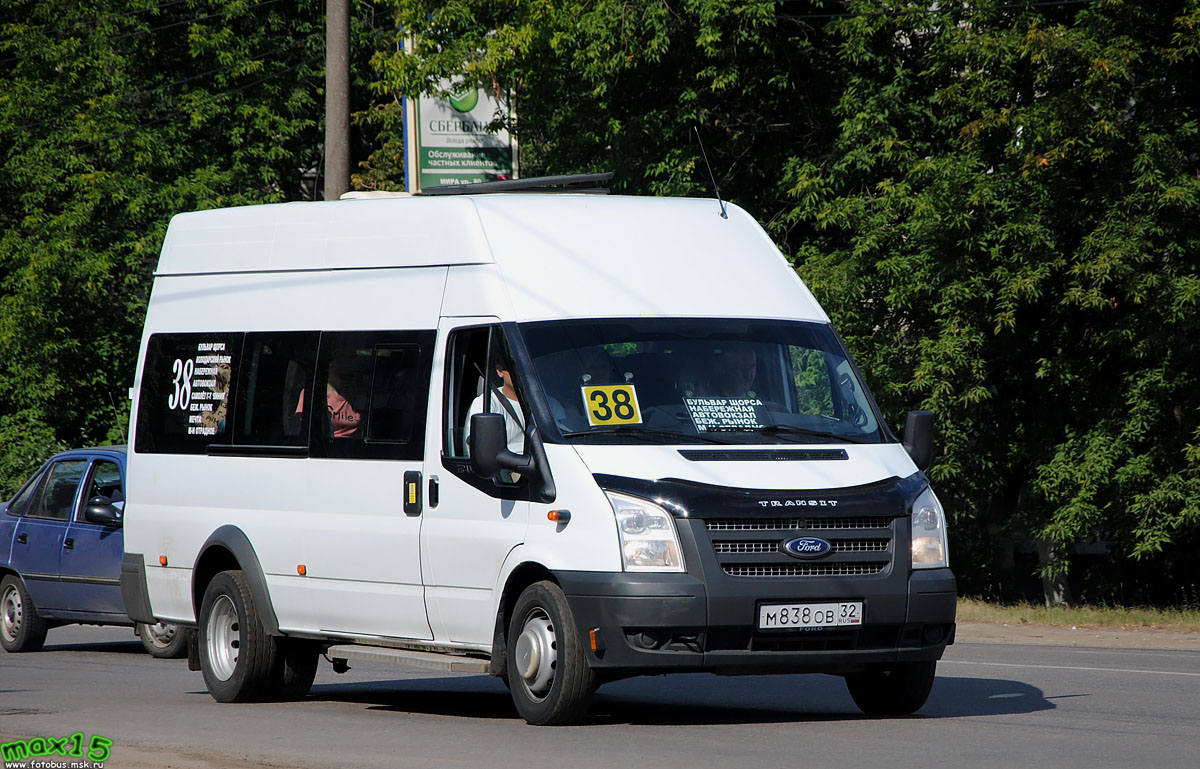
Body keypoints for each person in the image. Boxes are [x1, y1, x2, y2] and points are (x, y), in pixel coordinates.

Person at [463, 359, 525, 456]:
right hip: (507, 468)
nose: (522, 373)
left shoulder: (549, 404)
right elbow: (479, 450)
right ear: (500, 371)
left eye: (526, 368)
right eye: (515, 368)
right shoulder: (486, 403)